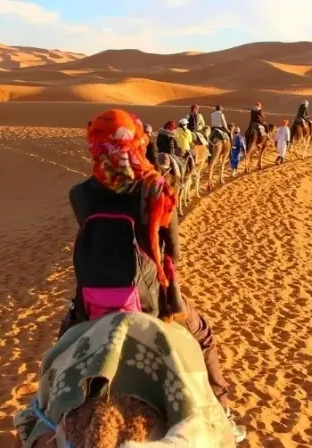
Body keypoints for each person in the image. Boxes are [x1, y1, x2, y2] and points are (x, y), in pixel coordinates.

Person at [61, 109, 245, 441]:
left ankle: (46, 412)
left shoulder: (79, 194)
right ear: (137, 140)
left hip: (91, 304)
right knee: (203, 336)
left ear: (94, 144)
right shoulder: (156, 187)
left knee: (60, 353)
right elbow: (173, 252)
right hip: (150, 301)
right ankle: (224, 413)